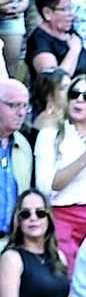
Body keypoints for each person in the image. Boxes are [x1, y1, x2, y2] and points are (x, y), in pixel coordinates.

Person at [33, 73, 86, 272]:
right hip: (63, 218)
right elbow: (46, 186)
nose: (79, 100)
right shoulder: (51, 134)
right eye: (74, 94)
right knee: (66, 280)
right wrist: (84, 159)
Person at [27, 0, 86, 79]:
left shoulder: (70, 32)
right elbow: (54, 82)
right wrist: (73, 51)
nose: (71, 14)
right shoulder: (39, 42)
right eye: (65, 9)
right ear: (47, 13)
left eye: (71, 8)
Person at [0, 80, 32, 236]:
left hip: (11, 240)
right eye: (14, 105)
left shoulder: (23, 145)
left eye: (25, 106)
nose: (21, 113)